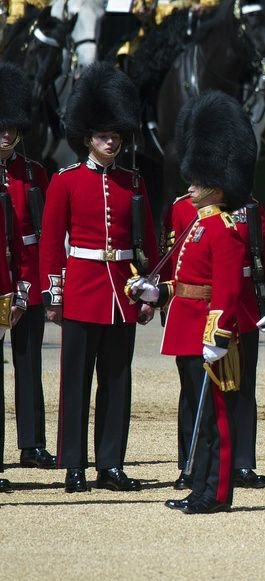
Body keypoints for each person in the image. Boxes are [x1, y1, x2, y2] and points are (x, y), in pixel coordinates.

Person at [129, 90, 256, 514]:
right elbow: (184, 281)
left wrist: (219, 334)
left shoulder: (225, 229)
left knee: (216, 419)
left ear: (217, 187)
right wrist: (156, 291)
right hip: (187, 328)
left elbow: (227, 288)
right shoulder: (196, 224)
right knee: (200, 419)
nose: (191, 187)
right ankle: (199, 487)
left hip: (208, 334)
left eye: (198, 182)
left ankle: (216, 494)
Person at [40, 63, 158, 494]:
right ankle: (73, 463)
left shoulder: (133, 182)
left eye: (116, 136)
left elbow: (146, 244)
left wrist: (149, 292)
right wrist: (54, 293)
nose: (111, 142)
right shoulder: (65, 182)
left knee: (117, 382)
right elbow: (52, 244)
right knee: (76, 382)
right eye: (103, 135)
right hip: (82, 289)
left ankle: (110, 463)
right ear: (87, 137)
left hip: (122, 294)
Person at [161, 180, 265, 492]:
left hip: (241, 304)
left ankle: (241, 461)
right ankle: (190, 462)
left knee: (242, 387)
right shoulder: (180, 207)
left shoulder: (249, 206)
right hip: (197, 305)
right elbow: (176, 259)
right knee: (193, 391)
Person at [0, 63, 55, 474]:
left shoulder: (34, 173)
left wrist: (27, 288)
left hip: (27, 282)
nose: (4, 133)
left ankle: (32, 443)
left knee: (29, 365)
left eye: (10, 127)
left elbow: (43, 239)